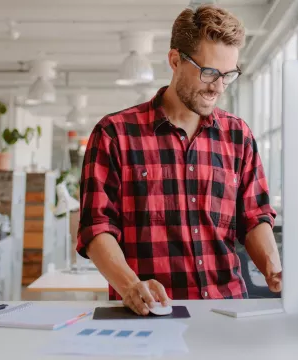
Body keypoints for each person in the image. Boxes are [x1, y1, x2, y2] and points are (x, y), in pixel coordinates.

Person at [76, 4, 282, 316]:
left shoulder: (238, 135)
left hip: (228, 312)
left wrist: (274, 269)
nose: (218, 86)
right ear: (175, 61)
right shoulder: (114, 134)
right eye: (209, 72)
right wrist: (130, 284)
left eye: (228, 75)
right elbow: (97, 228)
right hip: (150, 314)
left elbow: (255, 217)